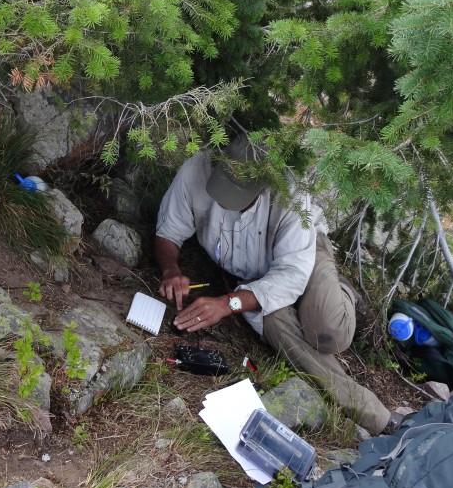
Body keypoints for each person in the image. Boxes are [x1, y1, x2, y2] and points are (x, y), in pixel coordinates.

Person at [154, 134, 395, 434]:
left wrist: (228, 303)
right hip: (254, 277)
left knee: (329, 333)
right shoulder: (196, 170)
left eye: (238, 195)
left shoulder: (290, 193)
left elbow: (292, 274)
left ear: (264, 184)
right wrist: (171, 269)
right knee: (278, 327)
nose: (227, 201)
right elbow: (168, 233)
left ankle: (342, 292)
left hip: (303, 256)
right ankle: (374, 415)